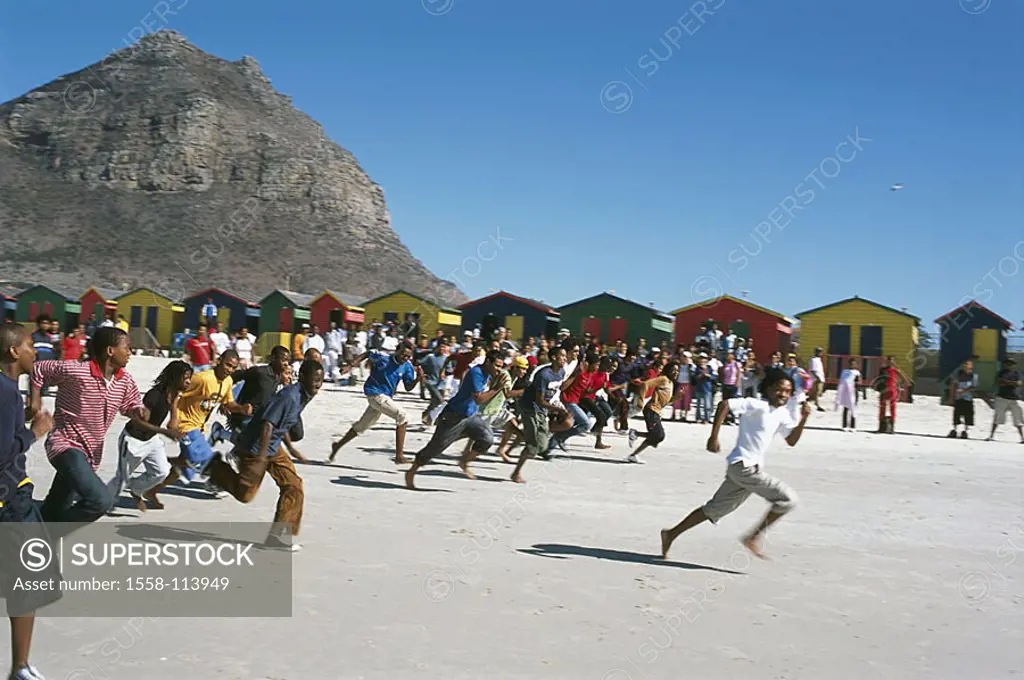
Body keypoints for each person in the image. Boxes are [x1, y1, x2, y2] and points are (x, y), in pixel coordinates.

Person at [660, 368, 810, 560]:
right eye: (779, 389)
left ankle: (671, 534)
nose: (783, 394)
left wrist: (804, 418)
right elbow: (724, 405)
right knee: (788, 500)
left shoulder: (780, 414)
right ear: (769, 388)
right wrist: (713, 436)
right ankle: (753, 537)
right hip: (743, 466)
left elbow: (791, 441)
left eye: (788, 391)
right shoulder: (756, 405)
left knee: (713, 509)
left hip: (745, 471)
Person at [30, 327, 147, 524]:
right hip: (64, 445)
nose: (130, 352)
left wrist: (137, 411)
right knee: (100, 501)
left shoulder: (124, 380)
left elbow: (131, 404)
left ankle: (26, 539)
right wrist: (34, 403)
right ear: (110, 351)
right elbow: (39, 369)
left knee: (54, 508)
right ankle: (47, 537)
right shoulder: (76, 370)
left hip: (91, 454)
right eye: (127, 347)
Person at [205, 359, 323, 552]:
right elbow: (267, 424)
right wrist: (261, 458)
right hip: (256, 445)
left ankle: (278, 537)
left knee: (293, 485)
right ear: (302, 377)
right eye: (315, 379)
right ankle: (215, 467)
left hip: (273, 446)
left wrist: (291, 449)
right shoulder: (291, 396)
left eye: (321, 380)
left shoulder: (304, 395)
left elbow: (281, 422)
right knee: (245, 495)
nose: (318, 384)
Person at [0, 324, 63, 680]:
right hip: (11, 500)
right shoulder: (7, 390)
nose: (34, 351)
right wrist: (33, 433)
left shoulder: (7, 390)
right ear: (13, 352)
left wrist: (18, 426)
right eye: (28, 346)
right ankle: (20, 668)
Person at [406, 350, 506, 489]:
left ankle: (464, 461)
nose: (499, 369)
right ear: (488, 362)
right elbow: (479, 399)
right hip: (454, 416)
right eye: (497, 365)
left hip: (470, 416)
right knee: (435, 448)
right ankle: (411, 471)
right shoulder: (476, 373)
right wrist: (497, 388)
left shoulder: (488, 374)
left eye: (501, 366)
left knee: (487, 439)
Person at [162, 349, 252, 486]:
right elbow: (175, 391)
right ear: (219, 361)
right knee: (206, 460)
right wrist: (174, 419)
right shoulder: (202, 379)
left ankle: (153, 488)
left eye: (234, 367)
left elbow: (228, 402)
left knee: (187, 468)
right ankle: (221, 484)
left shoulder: (228, 381)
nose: (230, 370)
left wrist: (241, 409)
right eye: (228, 365)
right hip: (186, 426)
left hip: (199, 428)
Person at [109, 361, 190, 511]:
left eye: (189, 377)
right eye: (185, 377)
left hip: (152, 440)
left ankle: (136, 490)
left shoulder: (173, 395)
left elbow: (172, 425)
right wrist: (165, 432)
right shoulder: (155, 395)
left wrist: (175, 411)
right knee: (121, 480)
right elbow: (138, 422)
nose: (188, 381)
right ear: (175, 377)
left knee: (162, 471)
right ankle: (101, 503)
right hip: (133, 441)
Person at [329, 342, 423, 465]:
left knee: (361, 426)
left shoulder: (407, 366)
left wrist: (417, 379)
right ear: (396, 351)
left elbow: (408, 387)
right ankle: (399, 456)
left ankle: (337, 445)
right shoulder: (383, 358)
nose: (405, 358)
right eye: (403, 355)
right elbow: (367, 353)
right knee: (402, 416)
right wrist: (351, 365)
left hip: (384, 397)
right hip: (374, 393)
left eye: (408, 357)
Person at [510, 346, 570, 484]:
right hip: (529, 408)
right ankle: (516, 472)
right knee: (533, 445)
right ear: (554, 357)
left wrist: (558, 405)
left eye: (566, 356)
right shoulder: (543, 375)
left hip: (542, 410)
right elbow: (540, 400)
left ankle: (520, 435)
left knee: (542, 446)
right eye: (562, 356)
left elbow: (555, 390)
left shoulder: (561, 372)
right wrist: (558, 409)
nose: (565, 359)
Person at [626, 361, 680, 463]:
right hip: (651, 410)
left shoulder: (671, 383)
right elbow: (645, 384)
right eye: (674, 370)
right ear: (668, 370)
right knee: (658, 435)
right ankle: (634, 448)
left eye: (677, 370)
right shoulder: (663, 379)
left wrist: (677, 397)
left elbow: (667, 401)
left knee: (657, 436)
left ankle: (635, 440)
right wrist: (641, 400)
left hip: (657, 412)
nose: (676, 372)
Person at [578, 355, 616, 450]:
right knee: (599, 417)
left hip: (596, 397)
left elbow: (607, 389)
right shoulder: (593, 373)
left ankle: (597, 438)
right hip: (586, 397)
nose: (609, 367)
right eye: (607, 364)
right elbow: (587, 390)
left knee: (607, 413)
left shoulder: (605, 374)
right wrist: (599, 388)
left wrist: (615, 397)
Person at [987, 358, 1023, 443]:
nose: (1009, 365)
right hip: (1002, 398)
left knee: (1018, 419)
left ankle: (1022, 438)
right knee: (997, 417)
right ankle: (991, 435)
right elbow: (999, 382)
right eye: (1008, 363)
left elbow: (1019, 383)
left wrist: (1007, 382)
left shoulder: (1016, 373)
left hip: (1013, 398)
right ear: (1005, 364)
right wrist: (1013, 383)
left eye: (1011, 364)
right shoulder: (1001, 373)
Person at [419, 341, 449, 425]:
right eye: (440, 347)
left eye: (444, 347)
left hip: (441, 384)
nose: (442, 349)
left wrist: (445, 372)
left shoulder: (446, 358)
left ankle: (429, 416)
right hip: (430, 382)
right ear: (436, 348)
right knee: (440, 400)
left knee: (435, 402)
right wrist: (422, 375)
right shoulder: (430, 357)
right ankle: (428, 415)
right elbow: (419, 364)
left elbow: (450, 369)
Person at [876, 356, 908, 434]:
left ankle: (891, 428)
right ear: (887, 361)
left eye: (892, 361)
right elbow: (879, 380)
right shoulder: (883, 370)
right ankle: (881, 428)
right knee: (882, 409)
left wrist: (897, 385)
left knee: (892, 409)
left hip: (892, 391)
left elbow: (905, 380)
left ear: (894, 362)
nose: (891, 362)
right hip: (884, 391)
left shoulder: (895, 370)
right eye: (889, 361)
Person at [948, 359, 979, 439]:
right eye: (965, 364)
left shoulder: (974, 376)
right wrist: (952, 397)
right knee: (956, 414)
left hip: (968, 398)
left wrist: (964, 391)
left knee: (968, 415)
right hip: (958, 398)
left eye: (968, 364)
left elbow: (973, 387)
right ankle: (954, 430)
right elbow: (953, 385)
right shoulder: (957, 374)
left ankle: (965, 431)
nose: (966, 366)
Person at [835, 358, 862, 432]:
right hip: (845, 392)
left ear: (856, 365)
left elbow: (859, 382)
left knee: (853, 409)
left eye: (854, 364)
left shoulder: (857, 372)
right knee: (845, 409)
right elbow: (841, 381)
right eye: (851, 363)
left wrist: (853, 383)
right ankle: (844, 425)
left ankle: (853, 426)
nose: (852, 365)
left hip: (853, 392)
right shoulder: (844, 372)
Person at [692, 356, 715, 424]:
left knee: (707, 405)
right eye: (701, 361)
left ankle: (706, 418)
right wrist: (702, 374)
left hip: (707, 388)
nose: (702, 362)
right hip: (699, 388)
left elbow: (714, 377)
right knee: (698, 405)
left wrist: (708, 375)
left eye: (704, 361)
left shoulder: (709, 368)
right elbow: (695, 377)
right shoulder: (697, 368)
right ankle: (698, 418)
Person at [720, 352, 741, 425]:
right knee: (725, 401)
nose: (728, 356)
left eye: (729, 355)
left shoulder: (736, 364)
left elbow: (738, 373)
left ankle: (732, 418)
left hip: (733, 384)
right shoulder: (725, 364)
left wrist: (737, 382)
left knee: (732, 402)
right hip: (726, 384)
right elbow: (722, 373)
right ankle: (725, 418)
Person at [808, 347, 827, 412]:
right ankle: (817, 405)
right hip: (816, 378)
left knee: (817, 392)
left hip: (820, 377)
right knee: (816, 392)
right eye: (819, 352)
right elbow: (812, 370)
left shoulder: (818, 359)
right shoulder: (813, 359)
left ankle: (814, 403)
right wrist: (817, 377)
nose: (820, 353)